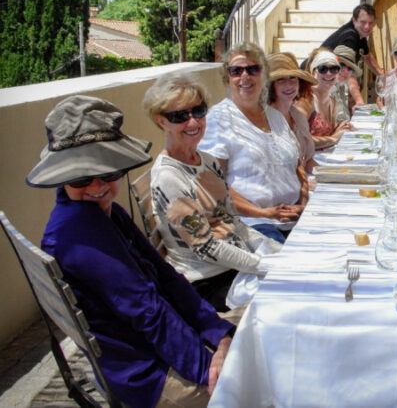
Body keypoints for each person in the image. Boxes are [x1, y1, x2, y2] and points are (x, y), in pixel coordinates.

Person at [27, 95, 235, 407]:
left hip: (163, 348)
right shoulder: (78, 234)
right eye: (83, 177)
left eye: (110, 173)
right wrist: (209, 370)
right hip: (149, 375)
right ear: (63, 176)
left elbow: (166, 277)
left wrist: (217, 332)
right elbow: (147, 309)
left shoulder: (101, 212)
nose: (98, 186)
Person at [144, 72, 280, 311]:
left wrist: (274, 250)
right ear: (161, 121)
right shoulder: (169, 177)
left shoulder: (206, 160)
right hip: (206, 282)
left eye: (198, 111)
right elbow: (206, 247)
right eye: (179, 116)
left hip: (233, 267)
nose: (193, 122)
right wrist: (263, 265)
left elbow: (233, 221)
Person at [200, 43, 310, 243]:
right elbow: (213, 184)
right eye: (236, 71)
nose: (245, 76)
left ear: (264, 75)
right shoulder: (219, 119)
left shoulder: (275, 116)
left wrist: (302, 201)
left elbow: (297, 165)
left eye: (253, 69)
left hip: (295, 218)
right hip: (252, 223)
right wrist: (264, 213)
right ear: (227, 77)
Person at [266, 52, 318, 173]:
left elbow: (308, 161)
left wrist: (331, 174)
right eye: (280, 80)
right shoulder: (263, 120)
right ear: (269, 86)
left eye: (292, 78)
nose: (288, 85)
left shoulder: (297, 117)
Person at [295, 50, 354, 150]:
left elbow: (328, 133)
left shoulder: (333, 103)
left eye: (334, 69)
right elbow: (298, 140)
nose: (329, 73)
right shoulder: (306, 100)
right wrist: (333, 138)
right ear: (313, 72)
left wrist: (340, 128)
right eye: (323, 69)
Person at [321, 3, 383, 76]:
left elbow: (368, 58)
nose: (367, 27)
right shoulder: (350, 37)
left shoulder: (360, 34)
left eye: (370, 23)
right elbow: (345, 68)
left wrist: (383, 76)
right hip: (312, 76)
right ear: (354, 20)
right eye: (363, 22)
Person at [333, 45, 365, 113]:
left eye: (350, 68)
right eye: (342, 65)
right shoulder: (323, 90)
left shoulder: (342, 87)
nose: (346, 71)